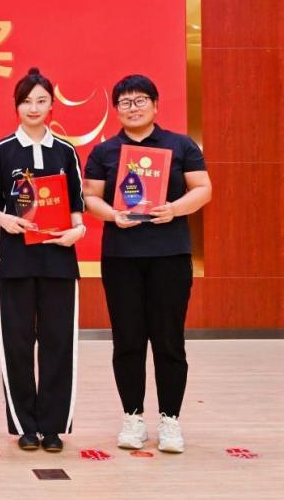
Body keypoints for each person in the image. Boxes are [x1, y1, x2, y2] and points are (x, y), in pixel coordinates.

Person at [83, 74, 211, 454]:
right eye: (125, 102)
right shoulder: (105, 151)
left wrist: (174, 209)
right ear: (116, 109)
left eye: (140, 100)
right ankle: (133, 417)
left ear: (155, 105)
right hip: (121, 258)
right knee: (128, 339)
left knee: (169, 340)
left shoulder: (181, 145)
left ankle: (170, 420)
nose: (133, 107)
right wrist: (112, 215)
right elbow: (90, 196)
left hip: (170, 255)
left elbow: (203, 188)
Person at [0, 67, 85, 453]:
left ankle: (53, 427)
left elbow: (76, 204)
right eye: (27, 101)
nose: (34, 108)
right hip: (15, 260)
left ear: (52, 105)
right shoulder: (2, 150)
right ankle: (25, 425)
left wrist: (78, 230)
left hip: (59, 260)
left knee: (58, 343)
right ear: (17, 106)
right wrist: (6, 220)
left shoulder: (66, 151)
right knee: (17, 344)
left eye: (41, 101)